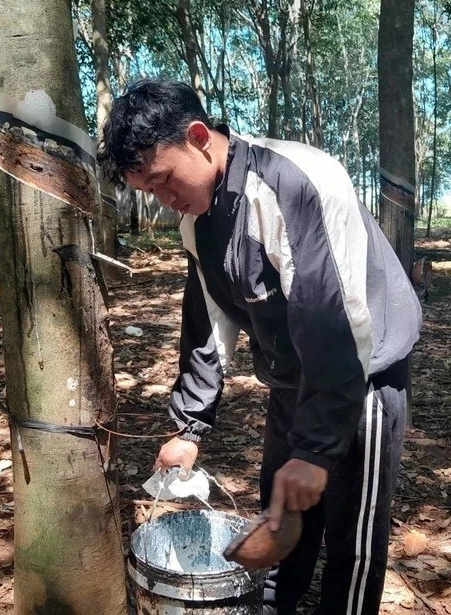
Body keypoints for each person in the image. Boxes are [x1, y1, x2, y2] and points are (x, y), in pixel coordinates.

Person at [97, 79, 421, 615]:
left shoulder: (293, 181)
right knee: (281, 505)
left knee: (351, 533)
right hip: (292, 372)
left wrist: (315, 451)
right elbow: (206, 327)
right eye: (148, 192)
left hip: (363, 367)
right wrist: (188, 427)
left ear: (199, 137)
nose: (164, 199)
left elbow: (335, 321)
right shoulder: (196, 226)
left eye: (163, 180)